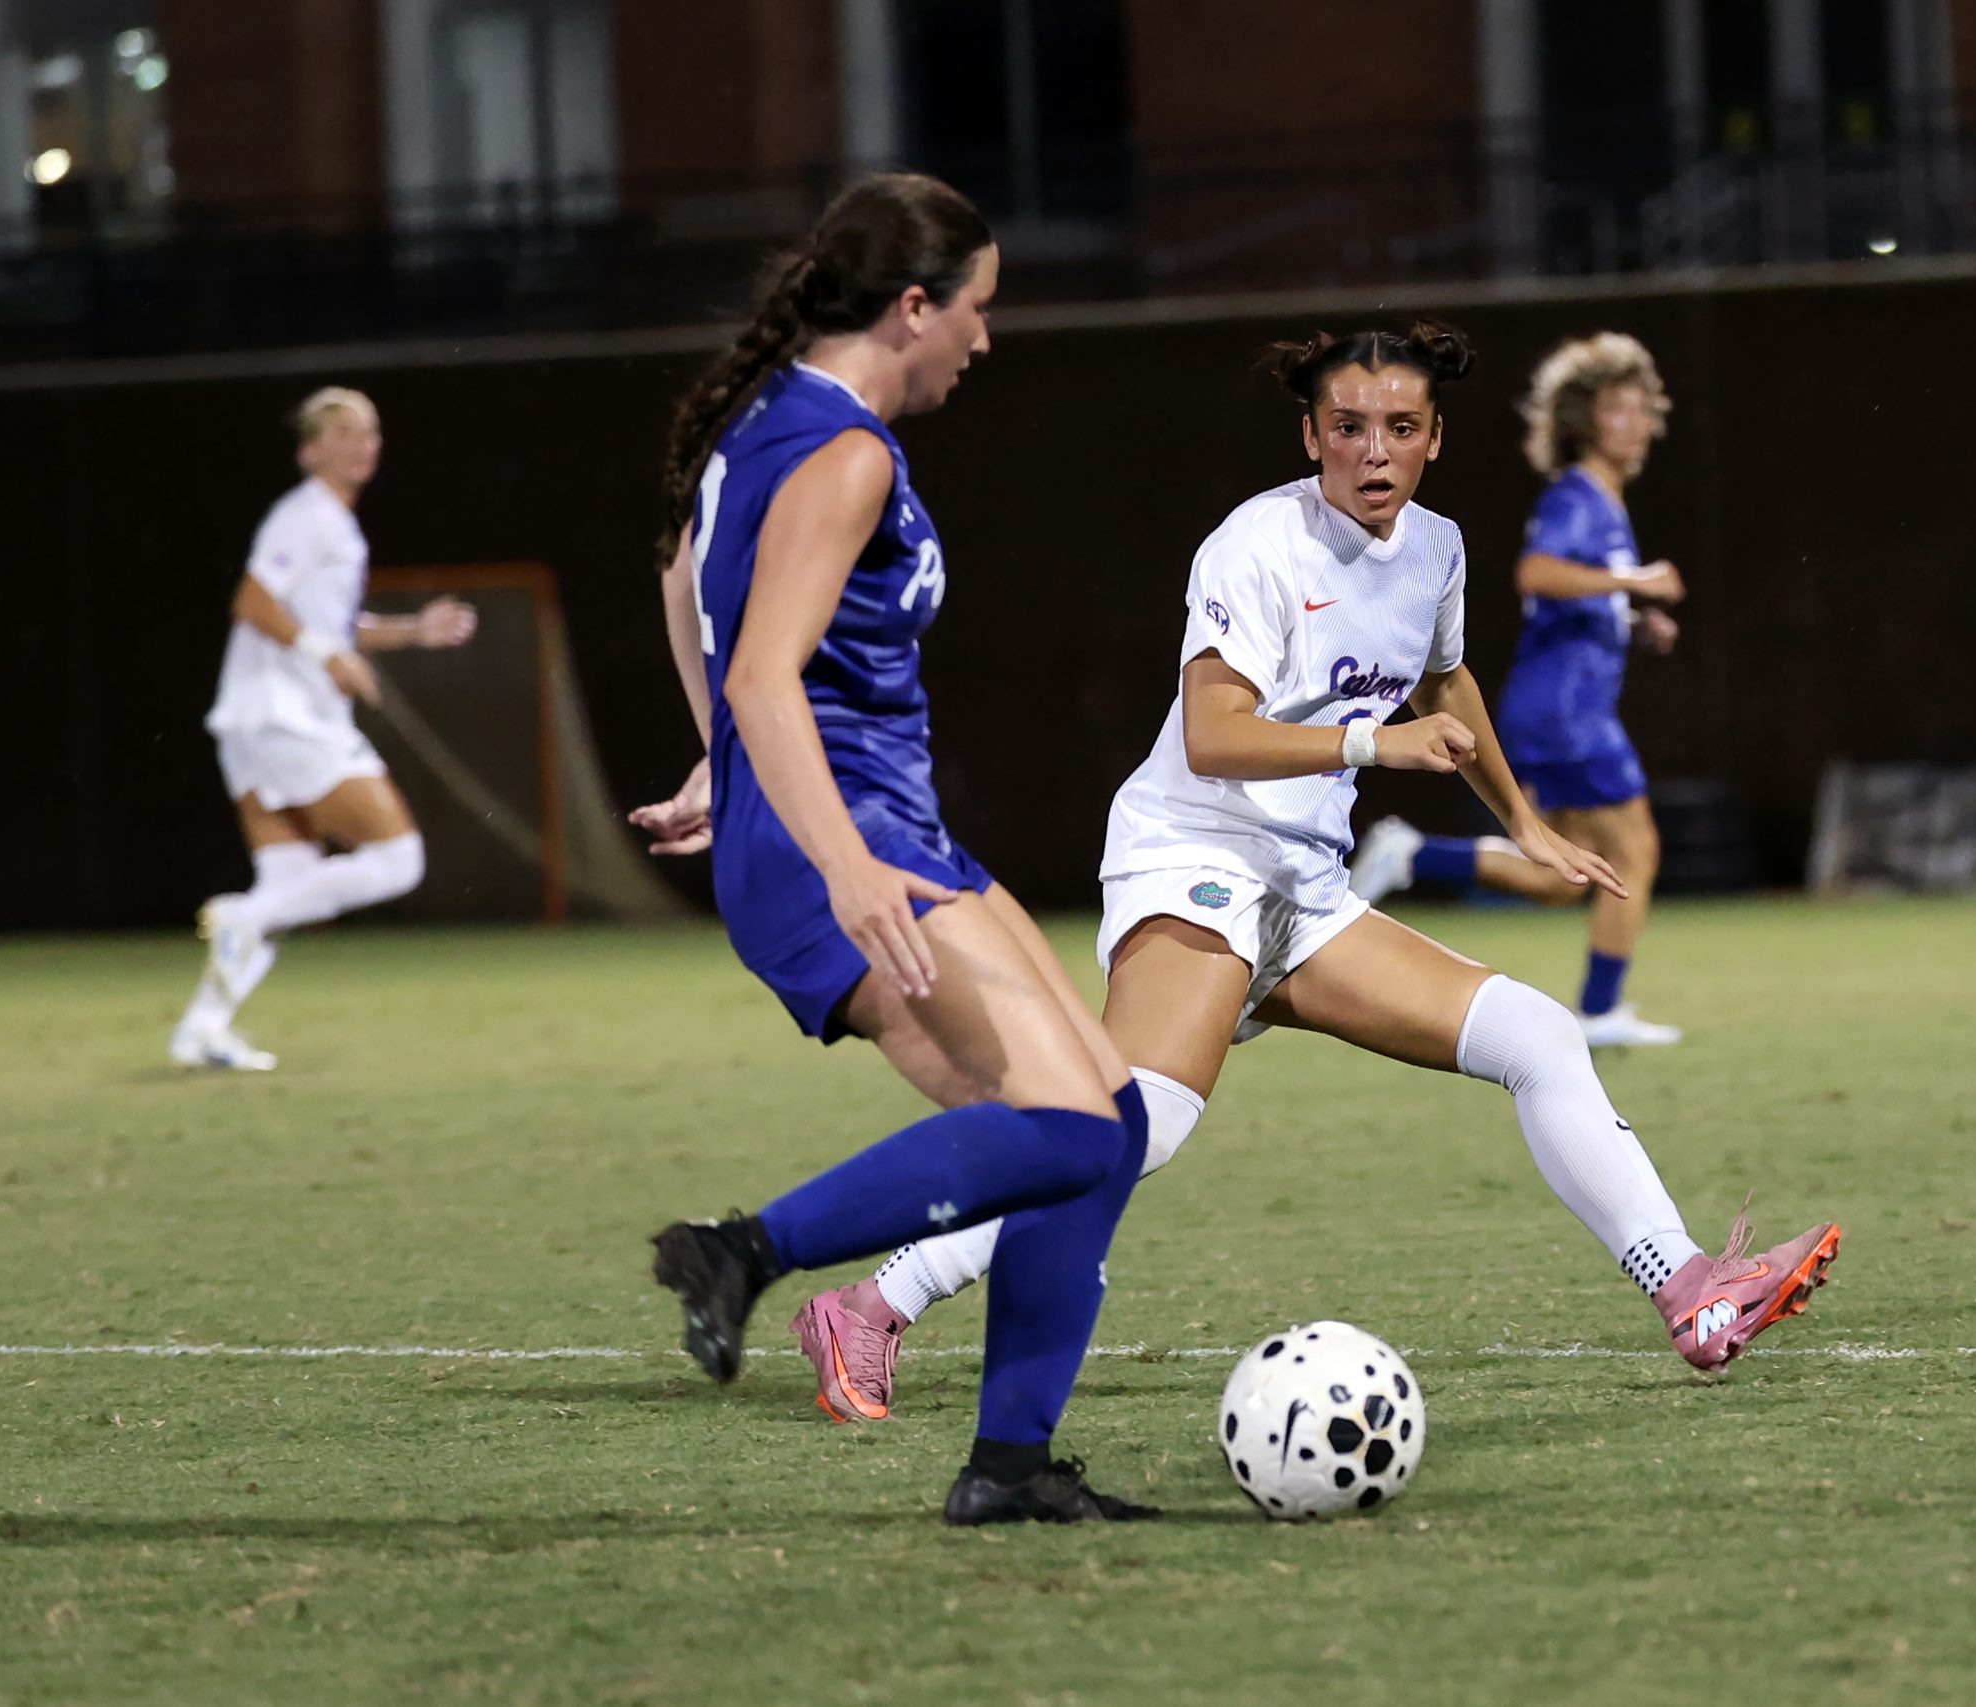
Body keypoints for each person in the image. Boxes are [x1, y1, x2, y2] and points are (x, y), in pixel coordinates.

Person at [798, 322, 1839, 1420]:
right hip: (1193, 858)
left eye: (1399, 428)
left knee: (1539, 1037)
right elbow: (1213, 734)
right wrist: (1368, 745)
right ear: (1311, 435)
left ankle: (1687, 1290)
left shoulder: (1435, 549)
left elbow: (1444, 685)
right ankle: (869, 1305)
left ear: (1435, 438)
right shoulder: (1256, 546)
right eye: (1347, 428)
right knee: (1135, 1123)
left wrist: (1523, 823)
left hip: (1301, 886)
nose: (1372, 452)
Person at [625, 173, 1156, 1527]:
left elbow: (684, 577)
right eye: (976, 309)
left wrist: (722, 768)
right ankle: (747, 1250)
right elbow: (762, 674)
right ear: (912, 307)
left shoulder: (771, 423)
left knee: (1111, 1118)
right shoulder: (848, 449)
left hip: (867, 825)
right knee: (1060, 1125)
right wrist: (836, 856)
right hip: (844, 843)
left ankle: (1013, 1465)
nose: (984, 338)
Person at [1349, 332, 1687, 1048]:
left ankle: (1412, 855)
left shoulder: (1600, 502)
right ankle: (1598, 1009)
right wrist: (1636, 580)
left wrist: (1630, 617)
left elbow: (1571, 592)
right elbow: (1538, 573)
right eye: (1619, 409)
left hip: (1556, 706)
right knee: (1636, 854)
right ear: (1586, 420)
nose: (1638, 423)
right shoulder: (1580, 497)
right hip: (1570, 712)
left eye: (1642, 408)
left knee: (1567, 877)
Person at [173, 388, 477, 1071]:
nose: (362, 442)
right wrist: (326, 655)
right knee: (400, 858)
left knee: (289, 880)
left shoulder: (336, 526)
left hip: (254, 723)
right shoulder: (306, 515)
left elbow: (332, 623)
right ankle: (242, 920)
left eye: (369, 430)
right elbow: (253, 601)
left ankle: (202, 1027)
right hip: (286, 717)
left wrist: (408, 630)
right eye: (342, 432)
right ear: (310, 450)